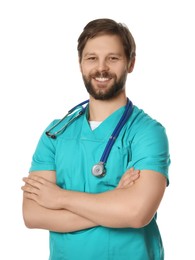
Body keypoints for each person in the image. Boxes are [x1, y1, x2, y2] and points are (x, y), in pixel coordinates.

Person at [21, 18, 171, 260]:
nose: (101, 68)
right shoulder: (55, 133)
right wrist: (112, 203)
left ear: (130, 63)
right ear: (80, 64)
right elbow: (33, 215)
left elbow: (136, 213)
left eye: (113, 58)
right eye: (92, 58)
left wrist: (59, 198)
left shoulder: (147, 132)